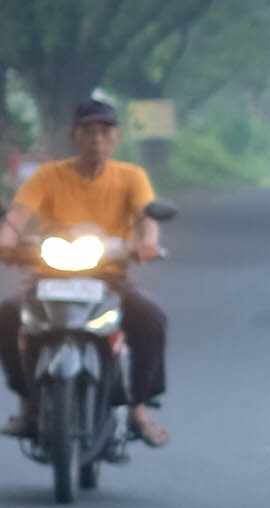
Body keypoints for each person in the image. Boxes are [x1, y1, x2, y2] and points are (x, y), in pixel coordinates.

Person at [1, 92, 170, 445]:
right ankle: (27, 402)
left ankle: (138, 409)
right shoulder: (48, 176)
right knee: (9, 313)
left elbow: (146, 218)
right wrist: (6, 240)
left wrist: (148, 243)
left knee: (150, 317)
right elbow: (17, 216)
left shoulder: (132, 177)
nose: (97, 139)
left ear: (116, 137)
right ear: (74, 136)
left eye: (105, 131)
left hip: (109, 276)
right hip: (48, 275)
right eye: (88, 131)